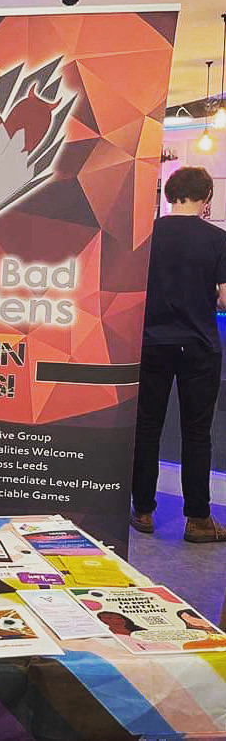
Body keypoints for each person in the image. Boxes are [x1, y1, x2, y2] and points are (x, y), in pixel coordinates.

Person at [132, 166, 226, 543]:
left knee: (148, 428)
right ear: (207, 198)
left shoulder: (148, 235)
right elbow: (224, 297)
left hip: (152, 342)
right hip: (199, 345)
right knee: (196, 433)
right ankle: (199, 520)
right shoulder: (218, 239)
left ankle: (142, 511)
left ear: (170, 195)